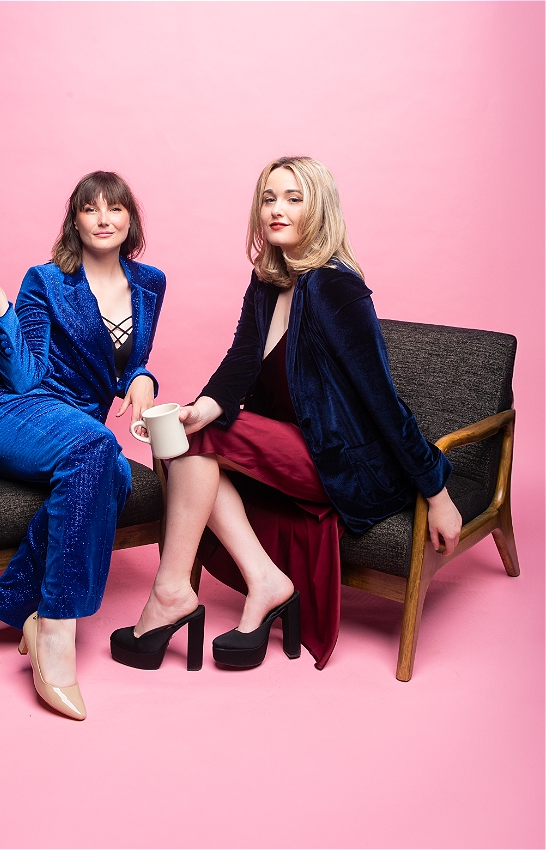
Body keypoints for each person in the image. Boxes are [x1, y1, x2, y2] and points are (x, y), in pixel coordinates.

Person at [110, 156, 461, 671]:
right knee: (187, 442)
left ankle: (170, 594)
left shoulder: (335, 289)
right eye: (270, 198)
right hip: (292, 447)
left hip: (346, 462)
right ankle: (265, 580)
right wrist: (199, 408)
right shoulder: (267, 281)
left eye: (294, 199)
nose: (277, 209)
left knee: (196, 441)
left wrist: (438, 492)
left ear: (319, 210)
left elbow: (382, 399)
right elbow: (241, 361)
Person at [0, 171, 165, 719]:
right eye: (91, 209)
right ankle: (56, 630)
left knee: (104, 461)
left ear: (131, 219)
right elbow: (22, 375)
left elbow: (134, 361)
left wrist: (143, 379)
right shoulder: (47, 279)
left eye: (115, 208)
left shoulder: (150, 283)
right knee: (100, 453)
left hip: (80, 431)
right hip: (9, 411)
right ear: (75, 220)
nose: (103, 219)